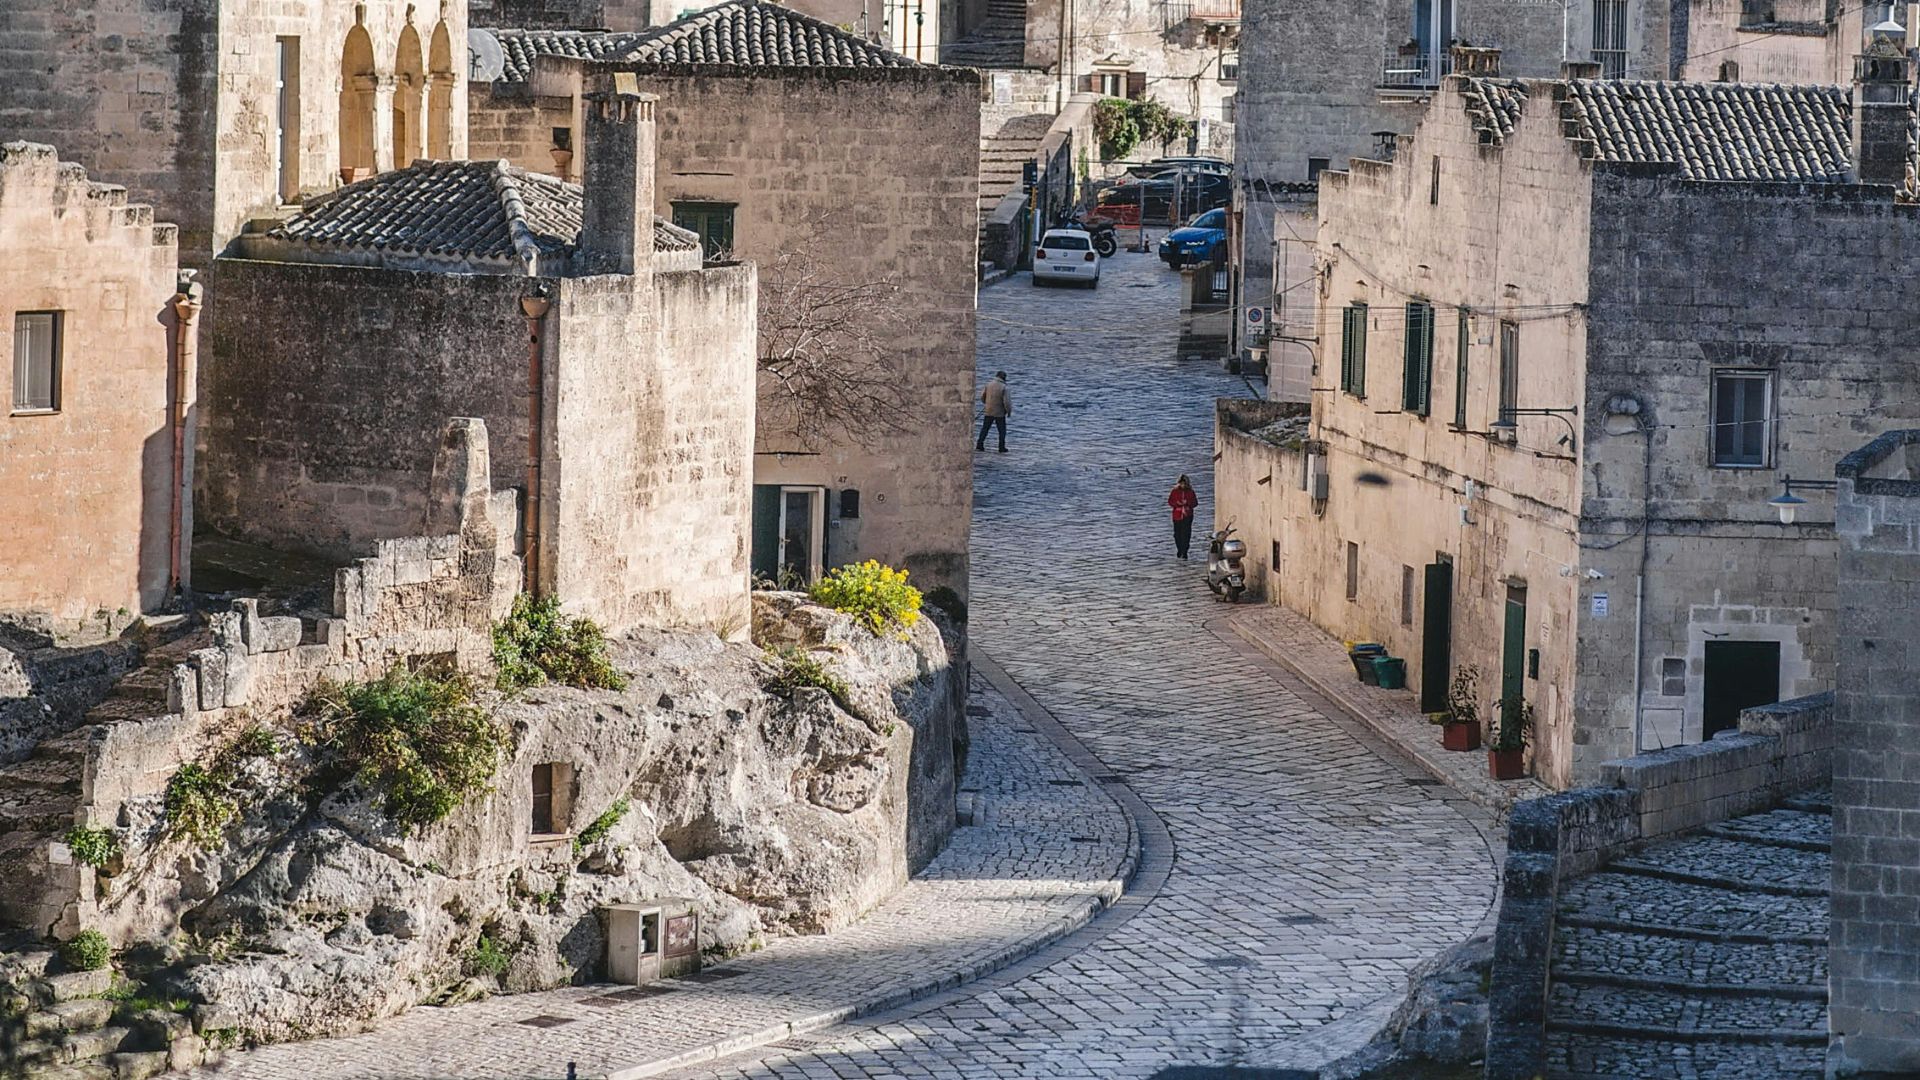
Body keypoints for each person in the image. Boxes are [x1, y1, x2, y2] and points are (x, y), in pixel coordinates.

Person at [976, 371, 1012, 453]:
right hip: (999, 412)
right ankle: (1001, 447)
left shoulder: (988, 384)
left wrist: (987, 403)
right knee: (1002, 430)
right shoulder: (1005, 387)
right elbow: (1007, 402)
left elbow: (982, 396)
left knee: (985, 428)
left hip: (988, 410)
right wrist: (1008, 411)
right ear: (1004, 377)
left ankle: (979, 444)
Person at [1168, 475, 1198, 559]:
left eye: (1184, 483)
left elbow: (1195, 503)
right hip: (1177, 516)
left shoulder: (1190, 492)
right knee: (1177, 534)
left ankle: (1185, 551)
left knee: (1186, 533)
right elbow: (1170, 501)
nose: (1183, 485)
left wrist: (1187, 504)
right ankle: (1179, 549)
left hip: (1187, 515)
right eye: (1181, 483)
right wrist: (1177, 504)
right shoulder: (1174, 491)